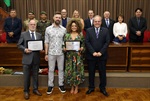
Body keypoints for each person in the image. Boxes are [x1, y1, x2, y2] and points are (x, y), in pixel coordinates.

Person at [17, 19, 42, 100]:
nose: (33, 26)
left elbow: (40, 45)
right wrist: (25, 49)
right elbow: (19, 45)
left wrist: (41, 49)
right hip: (27, 59)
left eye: (34, 24)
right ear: (28, 25)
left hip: (36, 58)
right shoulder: (23, 34)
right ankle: (26, 91)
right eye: (31, 24)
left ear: (36, 25)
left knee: (35, 75)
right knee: (26, 76)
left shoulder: (39, 35)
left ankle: (35, 89)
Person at [85, 15, 110, 96]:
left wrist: (101, 52)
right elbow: (87, 42)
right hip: (91, 56)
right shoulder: (88, 30)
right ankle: (91, 88)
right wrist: (93, 52)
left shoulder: (106, 30)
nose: (97, 23)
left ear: (101, 22)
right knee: (91, 73)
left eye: (98, 21)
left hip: (102, 56)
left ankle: (102, 88)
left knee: (102, 73)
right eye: (95, 21)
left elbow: (107, 42)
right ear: (93, 22)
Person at [45, 11, 66, 94]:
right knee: (51, 70)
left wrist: (65, 47)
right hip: (51, 53)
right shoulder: (48, 29)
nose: (58, 19)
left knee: (61, 69)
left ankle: (61, 84)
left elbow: (65, 41)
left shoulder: (64, 29)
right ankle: (50, 85)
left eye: (59, 17)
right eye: (56, 17)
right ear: (53, 18)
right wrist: (46, 53)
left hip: (61, 53)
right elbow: (46, 42)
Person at [63, 19, 85, 94]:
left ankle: (77, 87)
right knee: (70, 72)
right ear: (70, 26)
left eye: (75, 26)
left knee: (77, 71)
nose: (74, 27)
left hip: (78, 57)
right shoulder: (67, 35)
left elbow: (83, 45)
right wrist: (64, 48)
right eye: (72, 26)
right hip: (69, 57)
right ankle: (72, 86)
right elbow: (63, 44)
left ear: (78, 26)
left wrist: (82, 48)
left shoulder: (80, 35)